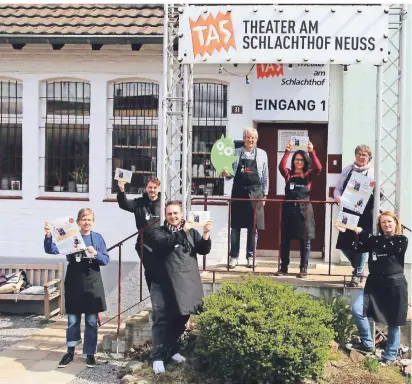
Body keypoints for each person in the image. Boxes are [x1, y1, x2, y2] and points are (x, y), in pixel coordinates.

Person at [145, 200, 212, 374]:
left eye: (176, 213)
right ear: (165, 216)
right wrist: (183, 231)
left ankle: (173, 350)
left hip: (184, 285)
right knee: (161, 320)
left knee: (181, 318)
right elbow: (163, 244)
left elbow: (203, 250)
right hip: (162, 284)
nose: (173, 216)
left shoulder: (192, 232)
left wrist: (205, 234)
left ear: (181, 214)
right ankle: (158, 357)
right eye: (170, 214)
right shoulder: (157, 232)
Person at [335, 211, 408, 365]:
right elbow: (356, 248)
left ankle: (390, 356)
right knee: (357, 309)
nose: (387, 225)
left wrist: (362, 232)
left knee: (393, 321)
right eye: (383, 222)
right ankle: (367, 343)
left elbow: (385, 246)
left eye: (389, 221)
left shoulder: (401, 240)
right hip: (374, 284)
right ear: (380, 226)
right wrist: (345, 233)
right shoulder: (375, 240)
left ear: (396, 223)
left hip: (394, 284)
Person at [44, 208, 109, 368]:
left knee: (91, 321)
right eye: (84, 219)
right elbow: (51, 249)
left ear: (92, 222)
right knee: (72, 320)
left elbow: (105, 260)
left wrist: (95, 253)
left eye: (89, 220)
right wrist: (48, 235)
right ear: (78, 221)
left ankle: (90, 354)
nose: (86, 222)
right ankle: (70, 352)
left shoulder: (97, 238)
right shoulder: (70, 236)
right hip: (74, 280)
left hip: (93, 282)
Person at [222, 127, 269, 269]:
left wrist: (265, 194)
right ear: (243, 139)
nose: (250, 140)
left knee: (252, 228)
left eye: (253, 138)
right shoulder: (236, 153)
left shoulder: (262, 154)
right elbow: (230, 174)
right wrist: (225, 173)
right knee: (235, 227)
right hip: (238, 194)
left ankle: (250, 257)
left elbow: (265, 176)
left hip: (256, 194)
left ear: (256, 139)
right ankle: (234, 257)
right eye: (248, 137)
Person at [275, 140, 322, 278]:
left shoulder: (308, 175)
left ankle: (303, 269)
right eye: (296, 159)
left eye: (301, 160)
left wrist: (312, 151)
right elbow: (281, 166)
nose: (299, 162)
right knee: (285, 240)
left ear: (305, 161)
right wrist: (287, 151)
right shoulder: (288, 174)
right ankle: (284, 268)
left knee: (305, 241)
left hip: (304, 210)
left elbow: (319, 168)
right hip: (289, 209)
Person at [334, 145, 377, 287]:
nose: (361, 157)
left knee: (362, 244)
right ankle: (358, 268)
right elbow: (338, 189)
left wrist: (376, 188)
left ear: (369, 157)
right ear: (355, 155)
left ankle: (357, 273)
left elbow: (380, 195)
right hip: (349, 212)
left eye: (364, 155)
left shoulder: (373, 172)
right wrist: (338, 197)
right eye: (358, 154)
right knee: (345, 244)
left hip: (366, 214)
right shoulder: (348, 170)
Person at [117, 177, 161, 291]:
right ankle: (154, 296)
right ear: (146, 188)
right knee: (150, 271)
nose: (152, 190)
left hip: (161, 243)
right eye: (150, 187)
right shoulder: (139, 203)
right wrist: (122, 190)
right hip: (144, 244)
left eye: (155, 188)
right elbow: (124, 204)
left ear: (159, 189)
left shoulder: (164, 204)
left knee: (162, 271)